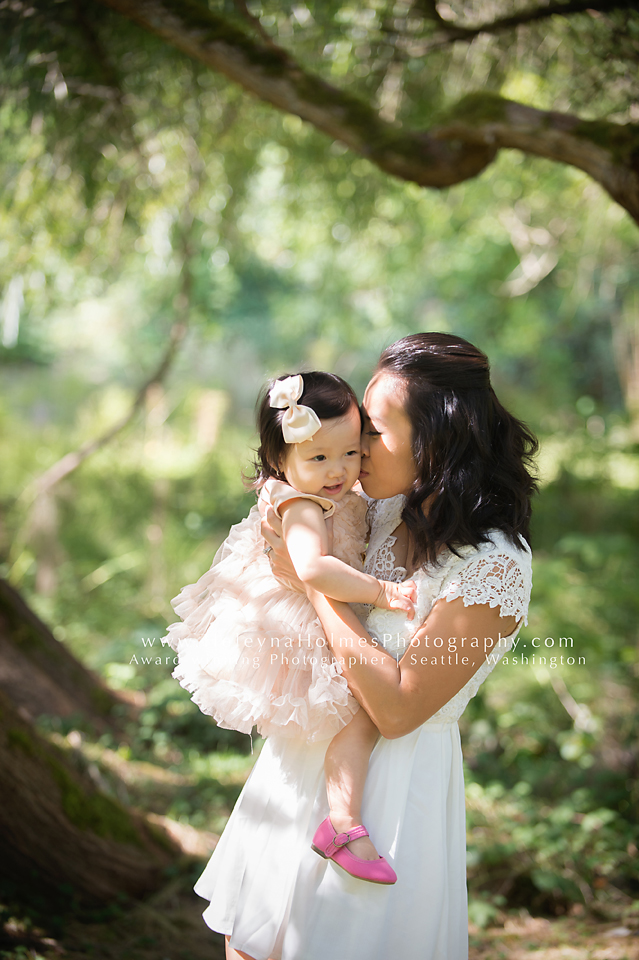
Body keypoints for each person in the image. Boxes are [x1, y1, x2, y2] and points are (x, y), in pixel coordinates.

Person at [195, 332, 538, 960]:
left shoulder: (493, 565)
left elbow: (400, 707)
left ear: (436, 440)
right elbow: (286, 537)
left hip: (392, 791)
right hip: (306, 758)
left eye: (372, 436)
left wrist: (317, 585)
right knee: (250, 943)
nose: (355, 454)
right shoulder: (379, 508)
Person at [165, 370, 416, 886]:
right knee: (358, 716)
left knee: (357, 715)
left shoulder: (327, 492)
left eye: (350, 453)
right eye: (319, 458)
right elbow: (312, 569)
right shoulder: (301, 504)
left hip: (314, 617)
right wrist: (383, 592)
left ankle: (334, 821)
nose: (339, 470)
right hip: (297, 626)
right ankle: (342, 824)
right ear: (280, 460)